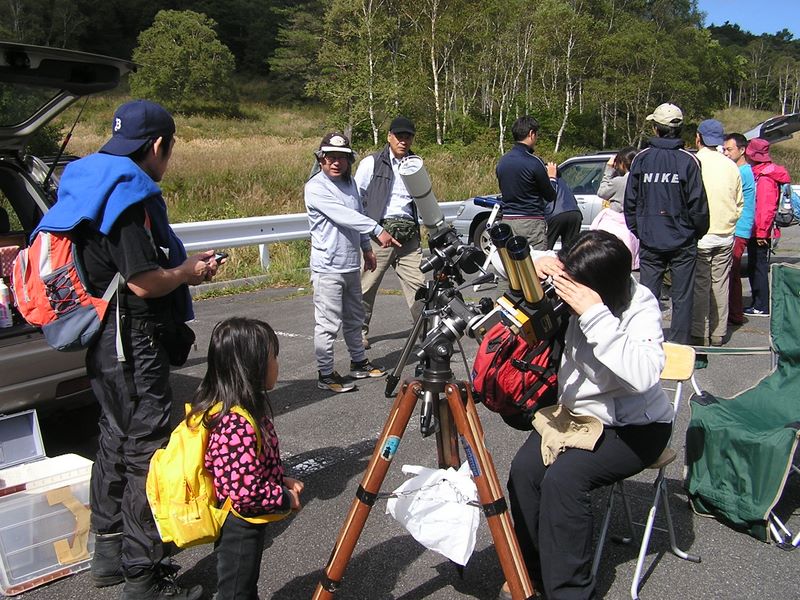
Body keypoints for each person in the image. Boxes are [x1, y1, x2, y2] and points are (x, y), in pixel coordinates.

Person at [41, 100, 219, 600]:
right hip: (133, 341)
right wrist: (189, 272)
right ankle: (142, 576)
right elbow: (144, 282)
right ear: (159, 145)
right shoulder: (128, 196)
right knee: (146, 451)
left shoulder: (90, 181)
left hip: (102, 335)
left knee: (114, 438)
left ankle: (108, 552)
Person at [504, 230, 672, 600]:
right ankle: (533, 574)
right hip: (574, 417)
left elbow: (644, 375)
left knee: (564, 480)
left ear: (601, 286)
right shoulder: (577, 279)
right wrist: (532, 263)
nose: (566, 289)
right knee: (524, 474)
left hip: (633, 428)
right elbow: (496, 259)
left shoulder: (638, 305)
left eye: (573, 283)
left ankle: (569, 592)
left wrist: (595, 314)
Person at [187, 317, 304, 600]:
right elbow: (245, 491)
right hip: (238, 523)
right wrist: (285, 498)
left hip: (245, 517)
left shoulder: (245, 410)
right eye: (273, 357)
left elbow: (249, 468)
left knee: (244, 582)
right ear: (251, 367)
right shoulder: (235, 424)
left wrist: (279, 478)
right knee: (236, 588)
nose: (277, 364)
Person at [304, 131, 400, 392]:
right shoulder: (315, 187)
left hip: (349, 264)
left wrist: (366, 248)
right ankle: (326, 373)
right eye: (330, 157)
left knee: (355, 317)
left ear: (349, 161)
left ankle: (359, 363)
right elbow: (344, 216)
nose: (336, 162)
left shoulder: (350, 186)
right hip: (327, 267)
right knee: (328, 323)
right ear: (321, 159)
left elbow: (357, 215)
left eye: (342, 158)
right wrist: (377, 230)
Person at [624, 102, 709, 344]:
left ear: (655, 128)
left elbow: (630, 201)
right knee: (682, 297)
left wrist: (640, 230)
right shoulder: (688, 160)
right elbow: (699, 205)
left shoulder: (642, 159)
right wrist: (694, 232)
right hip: (681, 239)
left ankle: (647, 343)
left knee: (648, 295)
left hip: (652, 238)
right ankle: (680, 345)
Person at [354, 116, 426, 349]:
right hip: (379, 234)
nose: (403, 141)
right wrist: (368, 230)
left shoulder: (416, 164)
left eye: (408, 136)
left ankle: (427, 333)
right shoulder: (371, 162)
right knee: (367, 285)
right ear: (389, 137)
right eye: (399, 136)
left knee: (419, 287)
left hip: (409, 235)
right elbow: (357, 197)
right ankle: (358, 333)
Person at [690, 119, 743, 346]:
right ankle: (718, 333)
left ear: (698, 138)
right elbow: (739, 202)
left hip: (702, 235)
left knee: (701, 284)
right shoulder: (731, 165)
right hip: (726, 233)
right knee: (720, 283)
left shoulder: (693, 162)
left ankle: (700, 332)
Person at [743, 138, 791, 316]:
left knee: (758, 266)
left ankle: (761, 305)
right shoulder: (767, 173)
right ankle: (758, 302)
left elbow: (764, 208)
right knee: (757, 265)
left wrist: (762, 232)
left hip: (761, 230)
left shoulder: (764, 178)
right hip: (762, 229)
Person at [496, 115, 558, 250]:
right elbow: (550, 195)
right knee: (537, 265)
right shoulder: (534, 162)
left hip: (508, 219)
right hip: (531, 221)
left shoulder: (502, 162)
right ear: (531, 134)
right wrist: (552, 177)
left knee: (514, 265)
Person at [721, 133, 756, 326]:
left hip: (738, 228)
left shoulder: (741, 172)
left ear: (742, 150)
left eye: (729, 149)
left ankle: (735, 314)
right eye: (724, 149)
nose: (726, 153)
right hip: (739, 227)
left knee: (732, 272)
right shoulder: (742, 170)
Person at [544, 174, 582, 250]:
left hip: (555, 214)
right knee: (571, 249)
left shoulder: (543, 180)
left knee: (546, 247)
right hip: (574, 212)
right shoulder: (562, 180)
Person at [597, 146, 637, 212]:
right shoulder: (643, 180)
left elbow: (601, 193)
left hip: (618, 219)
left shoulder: (619, 181)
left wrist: (609, 171)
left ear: (622, 163)